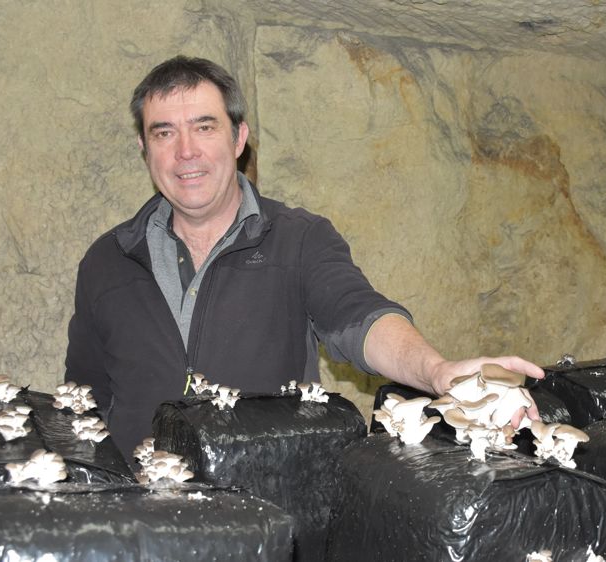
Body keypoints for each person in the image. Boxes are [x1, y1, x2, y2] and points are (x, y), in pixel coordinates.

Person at [65, 55, 543, 464]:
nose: (185, 151)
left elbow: (358, 317)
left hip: (269, 507)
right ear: (145, 149)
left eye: (204, 127)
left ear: (238, 139)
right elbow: (85, 401)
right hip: (139, 522)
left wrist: (436, 371)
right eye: (164, 132)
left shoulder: (299, 239)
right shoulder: (106, 261)